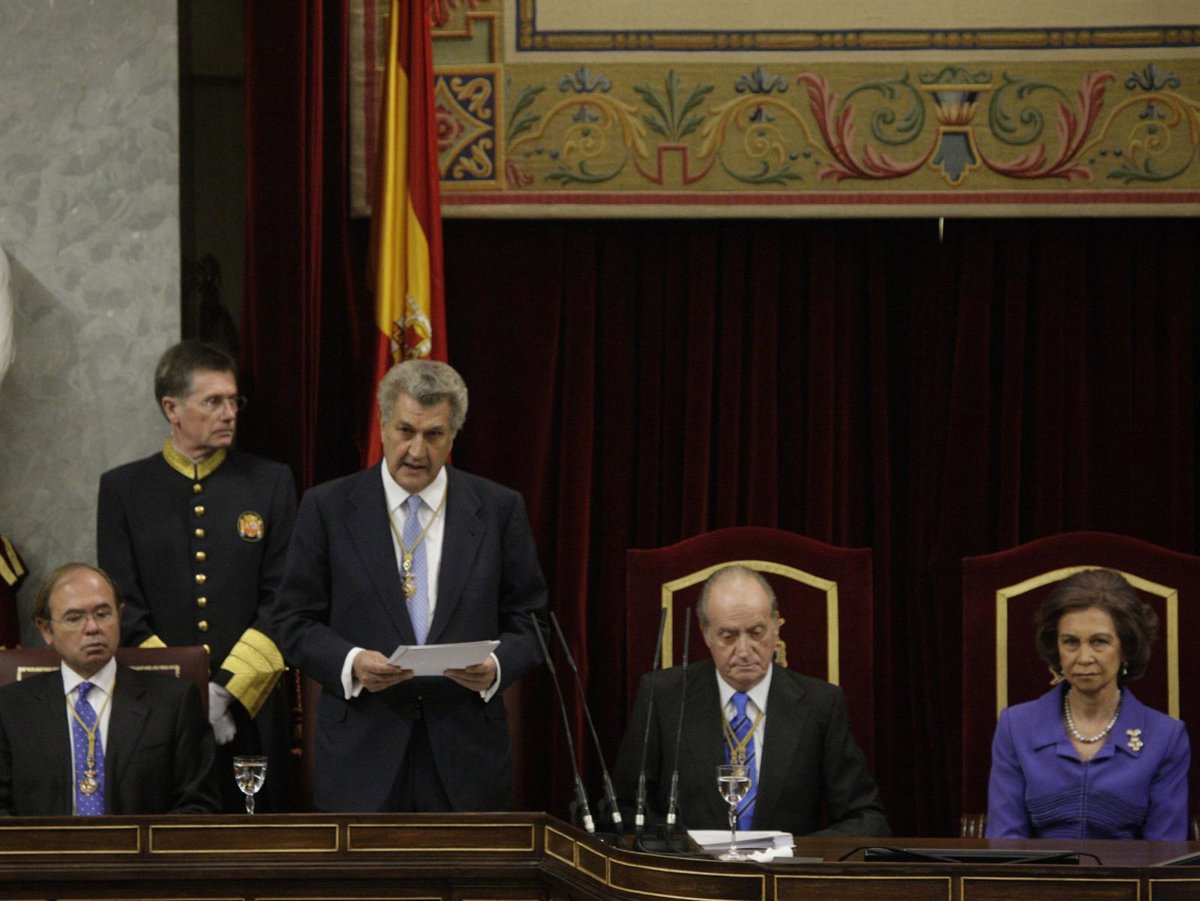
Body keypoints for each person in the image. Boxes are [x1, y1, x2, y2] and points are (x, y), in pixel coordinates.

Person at [273, 359, 548, 812]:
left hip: (466, 760)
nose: (417, 451)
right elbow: (292, 621)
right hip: (362, 756)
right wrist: (352, 662)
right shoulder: (328, 507)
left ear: (453, 435)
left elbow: (532, 623)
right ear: (383, 425)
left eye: (434, 434)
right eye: (405, 430)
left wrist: (496, 667)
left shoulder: (499, 510)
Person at [97, 341, 297, 812]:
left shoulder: (270, 482)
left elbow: (285, 599)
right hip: (156, 711)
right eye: (213, 402)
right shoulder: (124, 489)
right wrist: (186, 696)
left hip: (251, 709)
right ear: (172, 408)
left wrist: (225, 692)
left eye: (233, 400)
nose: (229, 413)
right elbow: (122, 608)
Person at [614, 565, 889, 836]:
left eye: (756, 633)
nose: (744, 651)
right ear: (705, 633)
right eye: (728, 636)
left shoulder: (821, 704)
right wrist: (684, 848)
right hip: (692, 864)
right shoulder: (663, 698)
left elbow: (867, 818)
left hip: (786, 865)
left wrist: (797, 851)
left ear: (776, 625)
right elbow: (624, 810)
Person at [986, 568, 1190, 839]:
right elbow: (1005, 839)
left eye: (1099, 642)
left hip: (1130, 869)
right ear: (1056, 648)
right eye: (1071, 642)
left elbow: (1166, 848)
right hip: (1036, 869)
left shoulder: (1165, 737)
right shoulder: (1016, 726)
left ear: (1126, 648)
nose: (1084, 658)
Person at [0, 563, 220, 815]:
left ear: (119, 615)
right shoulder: (10, 708)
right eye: (74, 618)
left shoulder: (173, 702)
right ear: (46, 629)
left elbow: (198, 806)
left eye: (103, 614)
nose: (93, 628)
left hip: (143, 841)